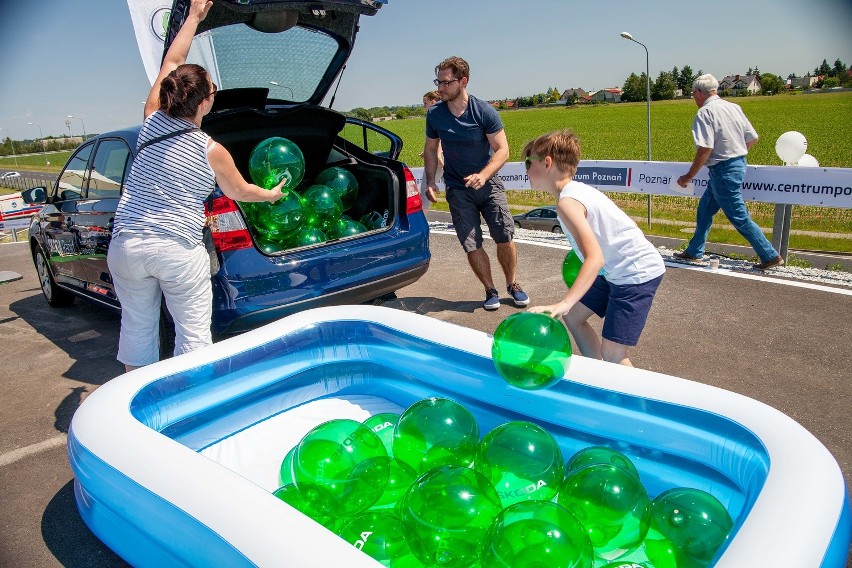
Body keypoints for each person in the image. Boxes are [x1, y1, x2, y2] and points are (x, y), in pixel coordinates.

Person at [108, 0, 285, 372]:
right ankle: (190, 404)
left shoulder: (151, 120)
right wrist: (271, 194)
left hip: (126, 244)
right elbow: (240, 192)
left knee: (137, 328)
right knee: (193, 334)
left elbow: (171, 63)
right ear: (205, 102)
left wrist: (193, 17)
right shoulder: (211, 150)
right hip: (175, 248)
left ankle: (133, 405)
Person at [524, 129, 665, 367]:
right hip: (616, 271)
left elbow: (595, 258)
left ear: (547, 163)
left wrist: (564, 302)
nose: (526, 169)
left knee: (614, 352)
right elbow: (629, 224)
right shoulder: (579, 191)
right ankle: (601, 376)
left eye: (528, 162)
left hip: (634, 274)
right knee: (574, 318)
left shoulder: (567, 203)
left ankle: (632, 402)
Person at [423, 56, 529, 311]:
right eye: (438, 81)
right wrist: (430, 181)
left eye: (446, 82)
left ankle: (512, 284)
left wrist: (483, 175)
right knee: (471, 244)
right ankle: (490, 289)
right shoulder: (435, 115)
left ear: (463, 81)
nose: (440, 87)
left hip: (489, 186)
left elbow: (502, 150)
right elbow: (430, 149)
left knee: (504, 236)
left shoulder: (483, 112)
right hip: (458, 191)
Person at [675, 74, 783, 270]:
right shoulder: (733, 107)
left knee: (738, 216)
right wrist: (735, 154)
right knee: (705, 210)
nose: (693, 98)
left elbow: (705, 148)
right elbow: (752, 138)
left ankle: (770, 255)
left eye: (693, 94)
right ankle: (694, 250)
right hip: (736, 164)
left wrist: (688, 176)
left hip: (722, 170)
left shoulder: (705, 113)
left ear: (699, 93)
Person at [418, 90, 443, 211]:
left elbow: (437, 142)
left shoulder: (433, 117)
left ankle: (421, 222)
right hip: (444, 160)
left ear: (433, 102)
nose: (424, 106)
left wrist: (437, 157)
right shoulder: (445, 114)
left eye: (425, 103)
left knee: (425, 190)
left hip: (438, 162)